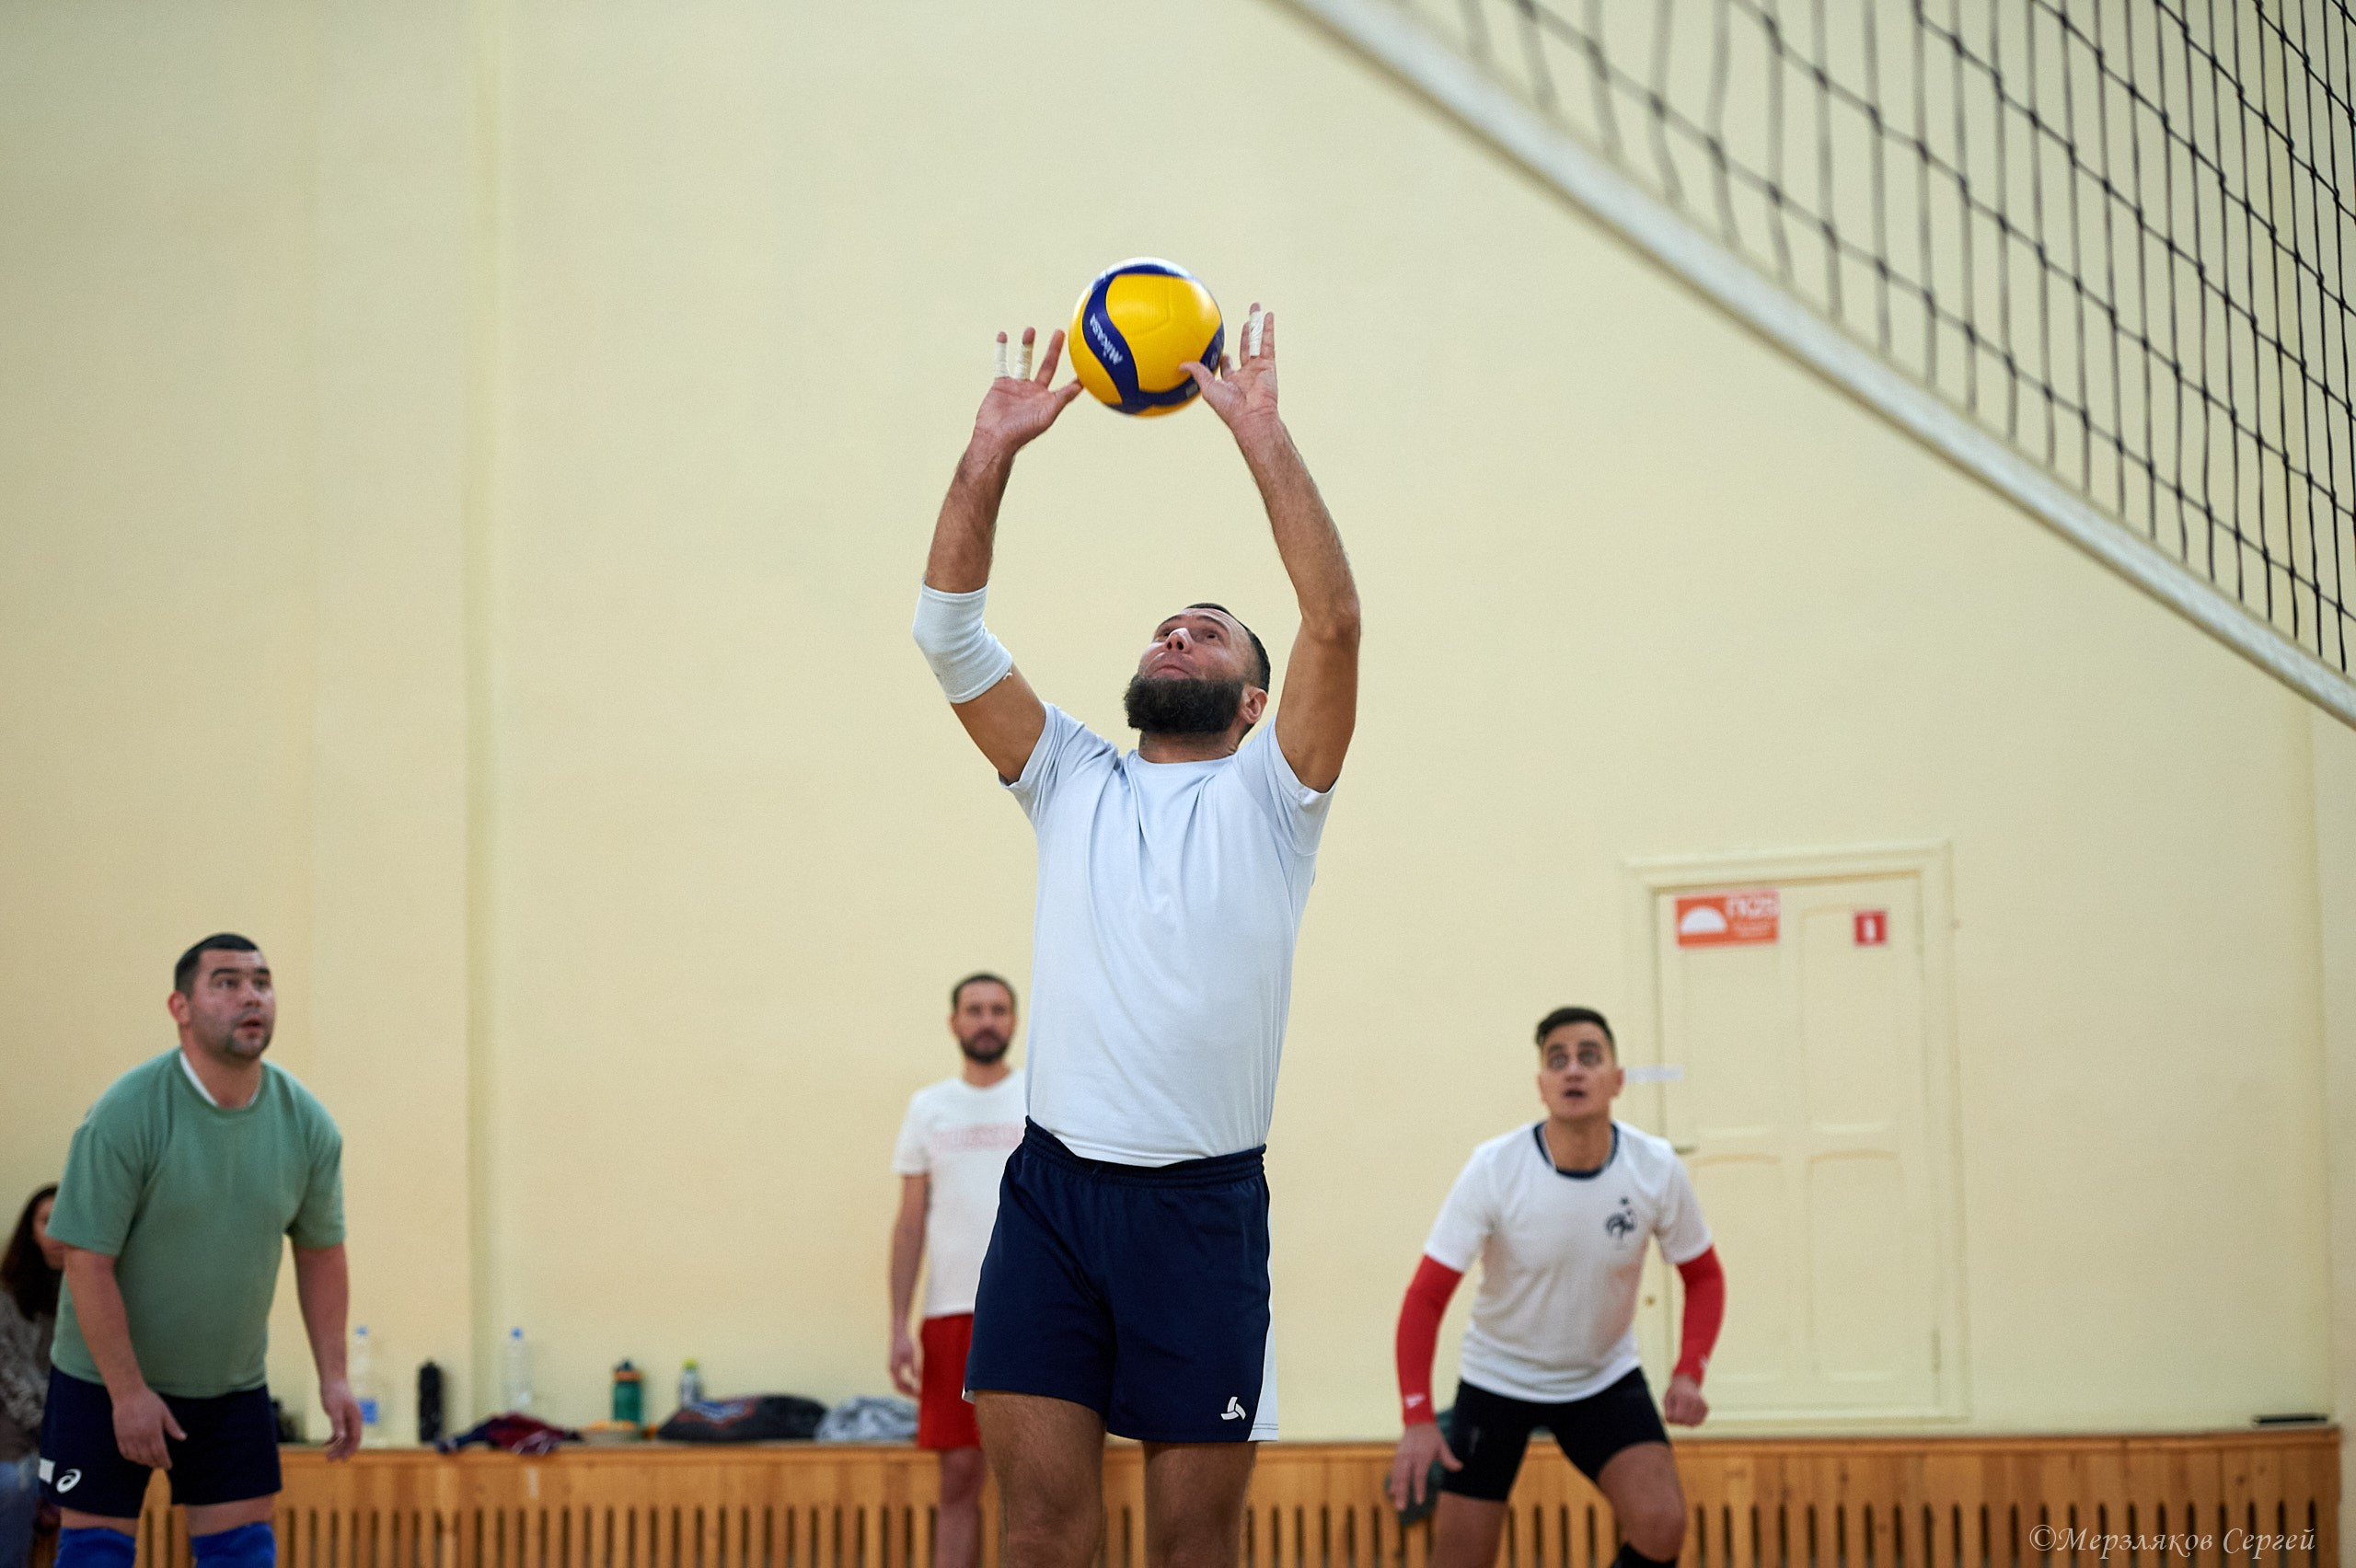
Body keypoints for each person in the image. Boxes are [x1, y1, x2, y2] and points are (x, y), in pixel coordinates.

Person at [909, 306, 1359, 1568]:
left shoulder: (1277, 797)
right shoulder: (1072, 777)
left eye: (1208, 629)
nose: (1177, 630)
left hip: (1203, 1214)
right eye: (1168, 623)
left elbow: (1336, 624)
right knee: (1044, 1533)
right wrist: (990, 451)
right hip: (1053, 1200)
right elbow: (945, 635)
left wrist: (1261, 439)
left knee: (1191, 1547)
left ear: (1254, 699)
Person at [40, 935, 361, 1568]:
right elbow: (86, 1260)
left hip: (230, 1384)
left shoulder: (308, 1123)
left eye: (262, 982)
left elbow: (322, 1252)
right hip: (102, 1381)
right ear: (179, 1007)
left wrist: (334, 1376)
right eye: (227, 982)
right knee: (94, 1552)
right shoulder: (125, 1114)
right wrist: (128, 1393)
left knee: (242, 1553)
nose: (252, 996)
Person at [1387, 1007, 1726, 1568]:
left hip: (1602, 1377)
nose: (1574, 1071)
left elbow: (1704, 1275)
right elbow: (1426, 1297)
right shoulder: (1494, 1169)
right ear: (1541, 1085)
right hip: (1498, 1379)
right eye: (1558, 1060)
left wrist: (1691, 1369)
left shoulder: (1656, 1168)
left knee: (1663, 1525)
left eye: (1589, 1057)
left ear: (1617, 1079)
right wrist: (1417, 1417)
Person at [886, 972, 1029, 1568]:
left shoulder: (1040, 1096)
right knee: (959, 1482)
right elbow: (911, 1223)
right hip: (951, 1316)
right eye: (974, 1010)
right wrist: (898, 1325)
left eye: (997, 1009)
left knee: (1041, 1486)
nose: (986, 1020)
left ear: (1014, 1021)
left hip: (1034, 1314)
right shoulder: (929, 1108)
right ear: (955, 1022)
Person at [1, 1187, 64, 1568]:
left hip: (75, 1422)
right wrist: (50, 1425)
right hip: (16, 1422)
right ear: (31, 1231)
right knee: (14, 1484)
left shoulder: (101, 1289)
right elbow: (10, 1376)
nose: (58, 1232)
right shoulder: (6, 1295)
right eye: (46, 1221)